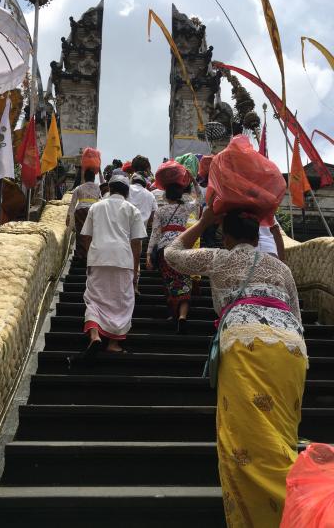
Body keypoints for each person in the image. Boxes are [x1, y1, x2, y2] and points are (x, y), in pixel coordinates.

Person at [164, 207, 307, 528]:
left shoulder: (218, 258)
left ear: (225, 236)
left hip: (245, 345)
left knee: (247, 442)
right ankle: (302, 507)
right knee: (281, 437)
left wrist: (201, 223)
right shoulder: (280, 268)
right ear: (257, 236)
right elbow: (296, 315)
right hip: (292, 349)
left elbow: (171, 254)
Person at [80, 175, 146, 354]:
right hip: (123, 259)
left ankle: (95, 335)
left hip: (98, 257)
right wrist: (135, 269)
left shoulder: (96, 206)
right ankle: (113, 344)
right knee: (121, 302)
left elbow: (85, 236)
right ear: (127, 191)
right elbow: (137, 243)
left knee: (94, 298)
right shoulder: (132, 210)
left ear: (110, 189)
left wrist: (91, 255)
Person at [146, 176, 201, 333]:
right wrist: (195, 182)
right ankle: (182, 315)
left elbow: (155, 234)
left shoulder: (160, 210)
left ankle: (172, 314)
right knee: (184, 281)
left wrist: (149, 254)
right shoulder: (185, 208)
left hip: (165, 249)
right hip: (182, 246)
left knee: (169, 281)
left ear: (165, 196)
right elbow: (200, 200)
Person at [66, 169, 101, 264]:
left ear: (84, 178)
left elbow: (73, 203)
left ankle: (80, 255)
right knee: (93, 233)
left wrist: (69, 216)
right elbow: (100, 200)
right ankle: (92, 254)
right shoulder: (98, 188)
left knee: (80, 232)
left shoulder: (79, 188)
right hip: (94, 210)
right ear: (94, 178)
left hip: (81, 210)